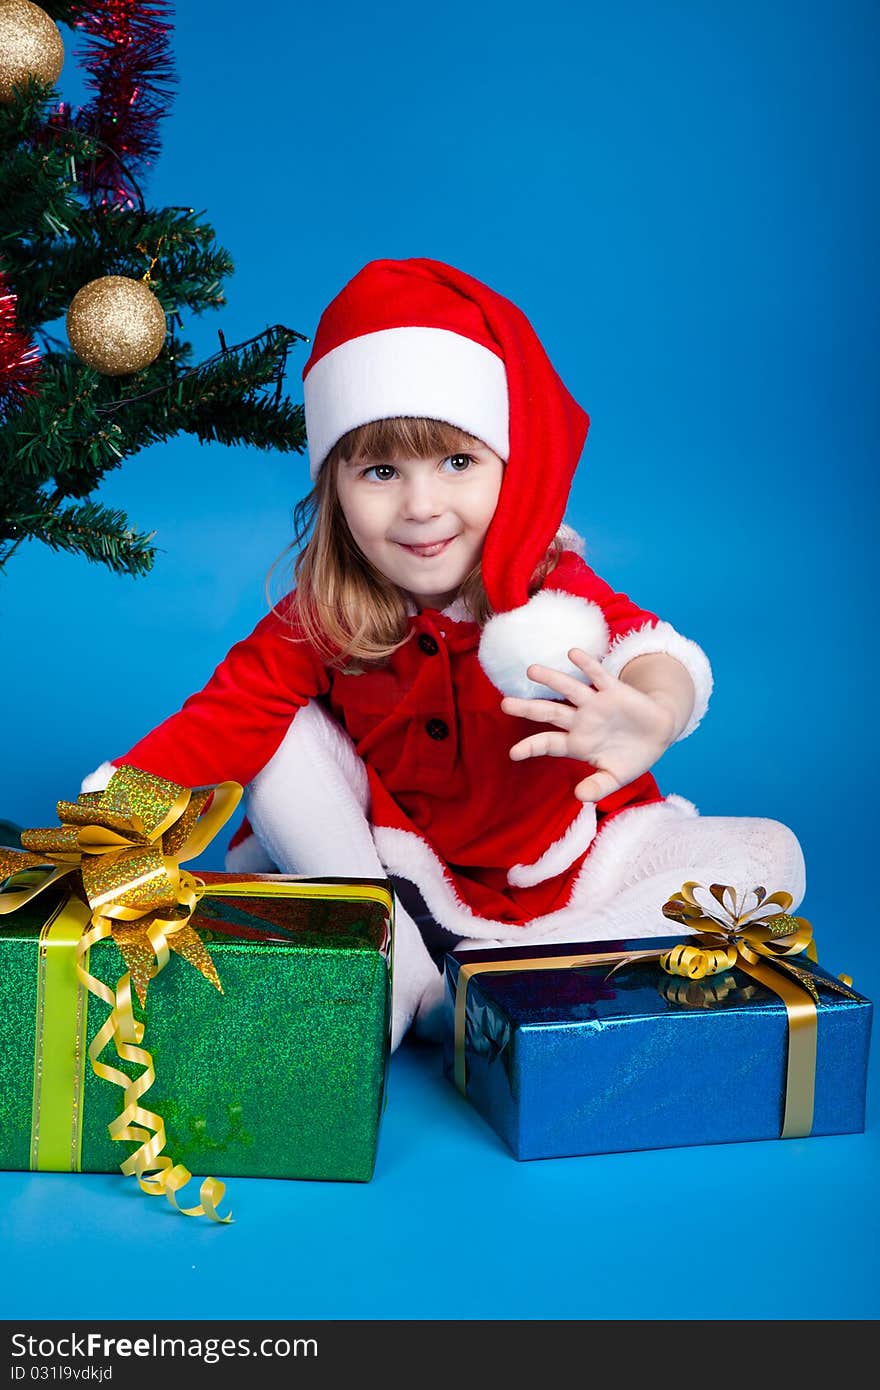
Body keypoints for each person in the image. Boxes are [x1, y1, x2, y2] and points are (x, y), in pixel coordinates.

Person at [81, 256, 806, 1049]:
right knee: (274, 735)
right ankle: (396, 964)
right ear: (334, 487)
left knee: (771, 856)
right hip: (399, 876)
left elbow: (650, 648)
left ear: (507, 467)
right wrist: (107, 828)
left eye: (457, 462)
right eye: (381, 471)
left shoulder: (549, 587)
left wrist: (655, 711)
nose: (422, 507)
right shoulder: (324, 615)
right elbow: (220, 720)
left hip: (570, 875)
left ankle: (515, 974)